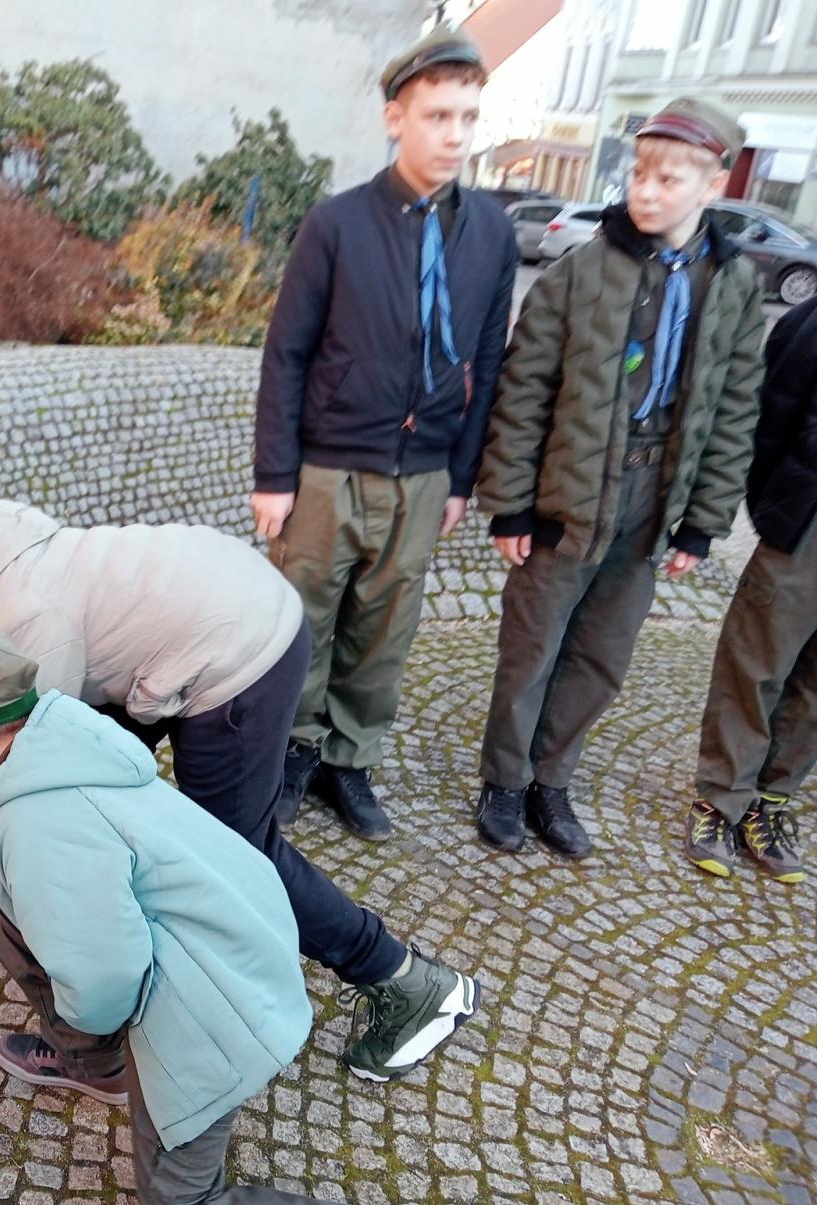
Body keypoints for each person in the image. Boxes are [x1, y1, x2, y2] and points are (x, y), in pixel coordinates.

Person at [0, 494, 476, 1092]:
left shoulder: (23, 612)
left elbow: (23, 757)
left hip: (240, 654)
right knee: (105, 811)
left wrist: (6, 852)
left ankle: (407, 982)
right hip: (215, 615)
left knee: (235, 859)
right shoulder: (6, 545)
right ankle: (112, 1006)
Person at [0, 631, 329, 1204]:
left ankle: (103, 1060)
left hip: (214, 1011)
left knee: (180, 1199)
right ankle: (97, 1067)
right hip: (244, 938)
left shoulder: (37, 823)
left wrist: (89, 1018)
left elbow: (104, 974)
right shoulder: (66, 738)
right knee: (12, 922)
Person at [473, 98, 765, 858]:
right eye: (639, 174)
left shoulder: (732, 283)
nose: (647, 190)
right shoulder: (583, 269)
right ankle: (505, 780)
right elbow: (523, 390)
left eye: (668, 179)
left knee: (602, 654)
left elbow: (734, 408)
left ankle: (550, 779)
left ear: (712, 185)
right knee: (532, 646)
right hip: (566, 495)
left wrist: (702, 521)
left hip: (653, 497)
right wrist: (510, 506)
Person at [252, 26, 518, 840]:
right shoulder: (336, 224)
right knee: (302, 618)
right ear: (395, 118)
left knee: (385, 627)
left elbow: (486, 361)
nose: (455, 136)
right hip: (328, 469)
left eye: (468, 118)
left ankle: (350, 758)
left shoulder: (493, 232)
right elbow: (287, 353)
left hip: (424, 472)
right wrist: (275, 475)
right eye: (437, 116)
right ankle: (292, 748)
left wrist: (461, 477)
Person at [686, 294, 817, 882]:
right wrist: (779, 509)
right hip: (807, 525)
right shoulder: (809, 322)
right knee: (757, 664)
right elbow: (767, 425)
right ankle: (721, 799)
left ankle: (771, 800)